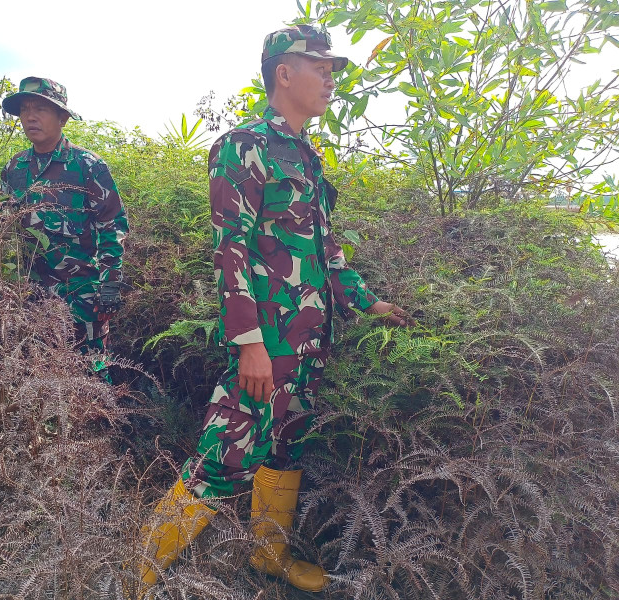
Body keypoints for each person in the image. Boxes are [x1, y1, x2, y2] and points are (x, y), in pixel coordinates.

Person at [136, 25, 413, 594]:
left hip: (310, 343)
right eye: (321, 66)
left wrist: (368, 301)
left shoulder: (307, 157)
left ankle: (268, 556)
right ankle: (130, 576)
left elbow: (326, 250)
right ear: (284, 73)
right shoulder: (244, 147)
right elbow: (229, 248)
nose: (331, 77)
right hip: (269, 346)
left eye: (333, 67)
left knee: (288, 447)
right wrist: (250, 344)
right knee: (224, 455)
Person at [0, 76, 129, 354]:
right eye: (24, 110)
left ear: (62, 118)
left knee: (90, 372)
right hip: (30, 294)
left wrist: (110, 286)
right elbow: (1, 217)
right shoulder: (15, 167)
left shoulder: (88, 166)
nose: (30, 117)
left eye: (40, 109)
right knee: (35, 370)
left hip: (82, 294)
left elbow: (112, 226)